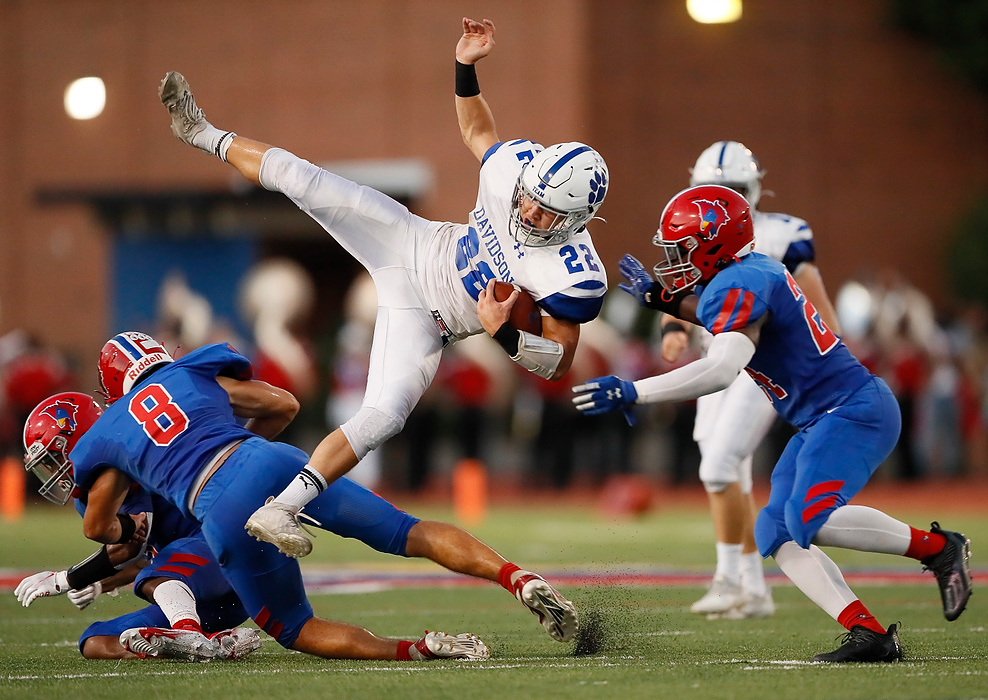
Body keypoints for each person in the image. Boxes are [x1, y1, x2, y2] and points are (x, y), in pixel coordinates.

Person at [156, 15, 609, 561]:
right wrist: (464, 66)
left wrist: (506, 338)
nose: (529, 210)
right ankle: (200, 131)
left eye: (546, 211)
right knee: (305, 179)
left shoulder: (573, 271)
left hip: (431, 319)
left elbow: (559, 362)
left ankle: (281, 507)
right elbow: (477, 133)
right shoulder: (516, 171)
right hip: (414, 243)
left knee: (383, 416)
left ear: (576, 219)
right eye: (530, 196)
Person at [572, 185, 973, 662]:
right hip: (821, 418)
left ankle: (938, 548)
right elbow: (712, 314)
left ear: (712, 242)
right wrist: (660, 298)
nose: (675, 259)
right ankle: (869, 634)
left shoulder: (740, 284)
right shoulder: (749, 272)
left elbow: (721, 369)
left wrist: (636, 390)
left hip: (852, 410)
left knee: (810, 518)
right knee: (775, 529)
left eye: (682, 248)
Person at [66, 331, 581, 662]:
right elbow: (283, 404)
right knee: (407, 531)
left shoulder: (109, 429)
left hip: (216, 499)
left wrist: (119, 532)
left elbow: (96, 527)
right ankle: (519, 577)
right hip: (272, 460)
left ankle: (414, 650)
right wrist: (245, 450)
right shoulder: (192, 374)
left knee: (296, 628)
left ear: (112, 390)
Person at [658, 141, 842, 619]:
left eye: (731, 189)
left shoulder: (781, 236)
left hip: (760, 365)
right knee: (727, 473)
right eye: (710, 188)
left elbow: (823, 313)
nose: (719, 197)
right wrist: (673, 329)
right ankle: (752, 587)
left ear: (753, 188)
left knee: (719, 464)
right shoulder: (691, 229)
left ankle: (727, 579)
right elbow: (678, 295)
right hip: (715, 356)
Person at [16, 391, 261, 661]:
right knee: (94, 641)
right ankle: (206, 645)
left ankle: (187, 631)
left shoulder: (120, 461)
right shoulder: (87, 495)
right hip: (202, 593)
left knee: (157, 575)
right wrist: (100, 584)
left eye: (54, 458)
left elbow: (131, 545)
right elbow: (145, 559)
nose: (52, 471)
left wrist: (63, 580)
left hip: (225, 556)